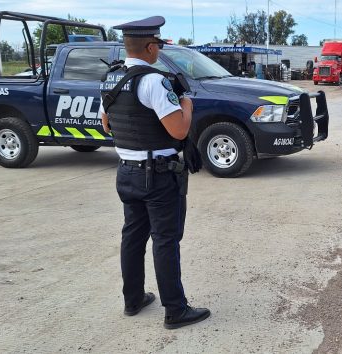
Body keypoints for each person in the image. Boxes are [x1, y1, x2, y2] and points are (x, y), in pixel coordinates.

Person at [99, 16, 210, 330]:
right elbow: (178, 130)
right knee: (165, 241)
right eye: (158, 45)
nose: (159, 50)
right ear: (150, 46)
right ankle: (176, 310)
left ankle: (133, 300)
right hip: (158, 176)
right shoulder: (153, 81)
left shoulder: (112, 78)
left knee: (133, 238)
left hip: (127, 172)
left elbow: (107, 124)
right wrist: (186, 102)